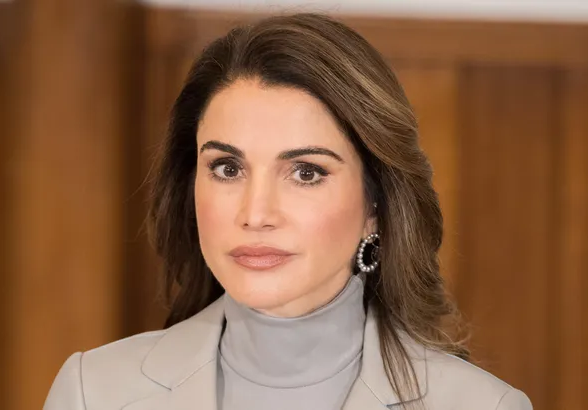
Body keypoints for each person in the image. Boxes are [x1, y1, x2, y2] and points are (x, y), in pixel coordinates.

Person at [43, 13, 532, 410]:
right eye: (228, 168)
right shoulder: (94, 393)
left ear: (376, 205)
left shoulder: (482, 406)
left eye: (306, 173)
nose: (256, 214)